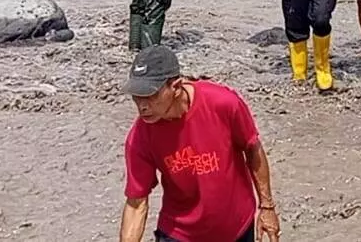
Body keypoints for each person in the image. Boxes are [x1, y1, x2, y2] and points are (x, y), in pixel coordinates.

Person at [120, 44, 280, 242]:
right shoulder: (139, 137)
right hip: (180, 234)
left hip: (237, 228)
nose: (142, 106)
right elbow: (136, 203)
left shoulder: (223, 103)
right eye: (136, 95)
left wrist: (267, 206)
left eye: (150, 95)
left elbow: (252, 147)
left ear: (176, 87)